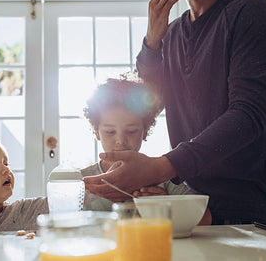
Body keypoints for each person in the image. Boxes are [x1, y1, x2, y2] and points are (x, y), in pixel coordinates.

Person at [84, 0, 266, 226]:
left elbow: (248, 116)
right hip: (194, 207)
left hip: (256, 212)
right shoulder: (174, 33)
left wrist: (160, 168)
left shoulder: (252, 13)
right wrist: (153, 39)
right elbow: (147, 102)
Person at [81, 76, 210, 224]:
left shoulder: (162, 177)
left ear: (145, 131)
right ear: (96, 132)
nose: (120, 141)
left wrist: (166, 206)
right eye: (110, 132)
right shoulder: (82, 181)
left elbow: (205, 218)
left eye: (131, 131)